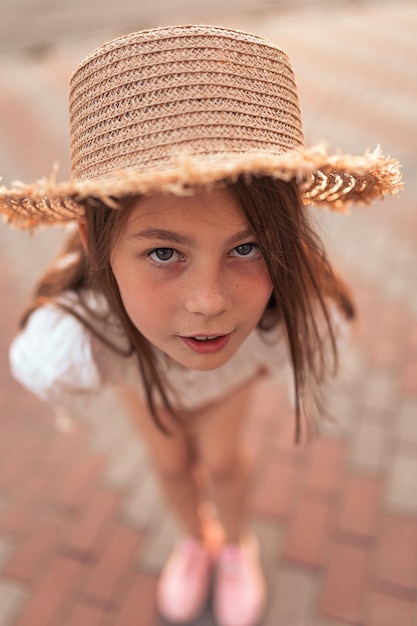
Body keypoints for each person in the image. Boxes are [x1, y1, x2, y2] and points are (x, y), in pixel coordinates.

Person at [0, 24, 401, 626]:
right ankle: (196, 540)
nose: (210, 303)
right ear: (93, 242)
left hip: (227, 385)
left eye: (248, 248)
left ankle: (236, 546)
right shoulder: (81, 334)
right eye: (164, 254)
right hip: (142, 379)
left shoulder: (289, 317)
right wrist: (152, 388)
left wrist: (222, 387)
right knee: (167, 464)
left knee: (225, 462)